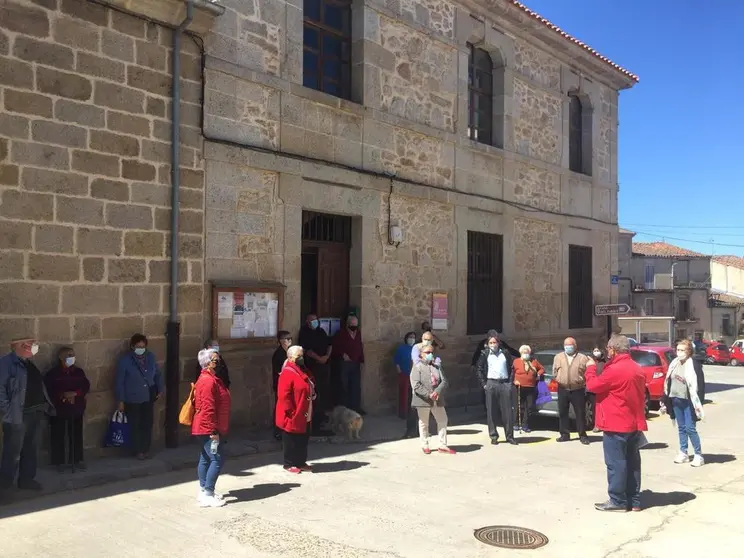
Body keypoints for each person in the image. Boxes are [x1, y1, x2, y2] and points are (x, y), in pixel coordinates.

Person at [585, 334, 647, 512]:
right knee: (633, 462)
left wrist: (590, 368)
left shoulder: (614, 369)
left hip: (615, 422)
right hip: (633, 422)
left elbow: (593, 386)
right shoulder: (636, 368)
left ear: (612, 349)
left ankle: (617, 500)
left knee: (616, 463)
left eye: (608, 349)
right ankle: (634, 500)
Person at [0, 338, 55, 494]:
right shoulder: (5, 364)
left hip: (35, 411)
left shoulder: (28, 362)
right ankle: (5, 484)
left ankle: (26, 479)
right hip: (18, 415)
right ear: (19, 346)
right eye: (30, 344)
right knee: (13, 451)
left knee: (31, 448)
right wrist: (8, 411)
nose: (33, 347)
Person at [192, 348, 231, 507]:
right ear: (207, 363)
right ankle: (208, 492)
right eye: (215, 360)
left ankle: (203, 489)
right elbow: (208, 407)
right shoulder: (208, 381)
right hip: (208, 427)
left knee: (206, 457)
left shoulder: (210, 378)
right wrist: (213, 431)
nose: (219, 362)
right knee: (217, 458)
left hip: (206, 426)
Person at [115, 334, 163, 460]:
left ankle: (146, 449)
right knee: (135, 424)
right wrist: (121, 400)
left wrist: (160, 388)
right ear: (132, 346)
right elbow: (119, 381)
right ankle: (137, 450)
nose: (141, 349)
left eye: (143, 346)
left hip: (148, 396)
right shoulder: (125, 361)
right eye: (138, 346)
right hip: (132, 398)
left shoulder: (150, 357)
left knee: (147, 423)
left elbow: (157, 374)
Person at [44, 347, 91, 472]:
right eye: (68, 354)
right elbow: (49, 390)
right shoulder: (53, 373)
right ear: (61, 357)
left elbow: (85, 386)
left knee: (76, 434)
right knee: (58, 435)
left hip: (76, 407)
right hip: (59, 409)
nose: (71, 357)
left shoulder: (78, 372)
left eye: (73, 354)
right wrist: (63, 395)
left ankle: (76, 460)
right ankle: (58, 463)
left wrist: (75, 394)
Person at [661, 340, 705, 467]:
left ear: (689, 351)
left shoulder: (694, 364)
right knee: (681, 428)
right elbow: (668, 381)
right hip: (675, 399)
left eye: (682, 350)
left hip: (689, 401)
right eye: (678, 350)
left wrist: (699, 404)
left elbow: (700, 386)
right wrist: (664, 397)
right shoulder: (674, 363)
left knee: (690, 428)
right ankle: (683, 452)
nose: (679, 352)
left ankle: (698, 455)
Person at [276, 346, 316, 474]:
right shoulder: (287, 372)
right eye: (298, 356)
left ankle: (300, 462)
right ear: (290, 358)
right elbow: (284, 395)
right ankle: (289, 464)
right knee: (291, 439)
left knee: (303, 438)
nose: (301, 358)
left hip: (304, 411)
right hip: (293, 412)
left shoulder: (302, 370)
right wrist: (291, 412)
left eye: (302, 355)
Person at [410, 343, 454, 455]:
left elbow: (444, 381)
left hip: (437, 398)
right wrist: (429, 394)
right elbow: (416, 384)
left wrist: (437, 392)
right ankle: (425, 445)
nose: (430, 354)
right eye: (427, 352)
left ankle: (442, 445)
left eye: (431, 352)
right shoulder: (417, 367)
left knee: (443, 419)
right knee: (424, 423)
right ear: (421, 354)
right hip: (423, 399)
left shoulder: (436, 366)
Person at [476, 330, 516, 445]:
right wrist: (484, 384)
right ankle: (493, 436)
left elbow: (511, 367)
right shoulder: (485, 354)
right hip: (491, 384)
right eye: (491, 343)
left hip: (504, 383)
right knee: (492, 411)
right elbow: (479, 369)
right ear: (488, 344)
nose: (493, 345)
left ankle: (509, 436)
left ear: (498, 343)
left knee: (507, 411)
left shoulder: (505, 353)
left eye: (495, 342)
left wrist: (510, 382)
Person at [298, 313, 333, 435]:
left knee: (324, 391)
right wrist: (319, 358)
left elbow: (330, 344)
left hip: (324, 365)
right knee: (314, 393)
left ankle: (322, 415)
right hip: (313, 367)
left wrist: (326, 357)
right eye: (312, 320)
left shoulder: (321, 331)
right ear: (307, 322)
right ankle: (315, 422)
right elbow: (306, 351)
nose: (314, 322)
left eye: (315, 320)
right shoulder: (304, 333)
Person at [553, 337, 591, 445]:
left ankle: (582, 435)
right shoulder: (558, 357)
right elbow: (555, 372)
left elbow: (587, 373)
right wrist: (559, 380)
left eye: (570, 345)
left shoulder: (582, 358)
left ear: (575, 346)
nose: (567, 347)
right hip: (563, 389)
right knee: (563, 413)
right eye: (566, 345)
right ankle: (564, 434)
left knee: (580, 413)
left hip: (577, 389)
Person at [332, 315, 365, 414]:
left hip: (355, 363)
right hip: (344, 364)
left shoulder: (358, 333)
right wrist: (342, 354)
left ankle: (355, 408)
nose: (354, 327)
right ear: (348, 324)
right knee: (344, 385)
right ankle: (344, 409)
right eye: (352, 325)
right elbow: (335, 347)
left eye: (356, 325)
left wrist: (362, 360)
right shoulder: (341, 334)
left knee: (355, 386)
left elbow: (360, 346)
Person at [512, 345, 544, 434]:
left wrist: (538, 374)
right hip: (518, 387)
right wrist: (515, 381)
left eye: (527, 352)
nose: (525, 354)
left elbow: (542, 369)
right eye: (523, 352)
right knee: (518, 405)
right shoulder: (516, 361)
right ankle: (516, 424)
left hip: (530, 387)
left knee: (529, 406)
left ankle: (525, 424)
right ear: (520, 353)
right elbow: (512, 372)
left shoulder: (534, 361)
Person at [271, 331, 292, 441]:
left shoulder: (289, 352)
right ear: (280, 341)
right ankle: (277, 430)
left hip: (289, 384)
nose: (289, 340)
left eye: (290, 338)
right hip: (281, 384)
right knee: (280, 407)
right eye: (286, 338)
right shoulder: (278, 354)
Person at [394, 332, 417, 420]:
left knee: (414, 394)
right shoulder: (401, 348)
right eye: (410, 337)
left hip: (414, 374)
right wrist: (398, 369)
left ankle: (412, 412)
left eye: (413, 337)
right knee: (404, 393)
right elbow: (396, 360)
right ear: (406, 338)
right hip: (404, 373)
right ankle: (403, 413)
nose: (412, 339)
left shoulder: (416, 348)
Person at [590, 347, 607, 433]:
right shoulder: (591, 362)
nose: (596, 352)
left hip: (603, 387)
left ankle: (603, 424)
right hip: (592, 387)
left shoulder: (605, 363)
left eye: (598, 351)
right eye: (594, 351)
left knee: (603, 407)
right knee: (594, 408)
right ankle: (596, 425)